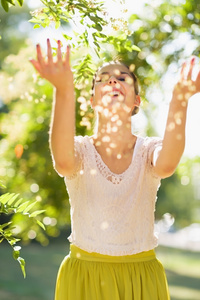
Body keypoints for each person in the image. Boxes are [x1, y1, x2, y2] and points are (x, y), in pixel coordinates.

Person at [30, 39, 200, 300]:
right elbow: (63, 163)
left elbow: (166, 165)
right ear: (91, 100)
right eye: (103, 79)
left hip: (141, 277)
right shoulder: (80, 151)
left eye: (123, 77)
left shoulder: (148, 150)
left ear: (136, 101)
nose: (112, 81)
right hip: (84, 276)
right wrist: (63, 89)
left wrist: (181, 99)